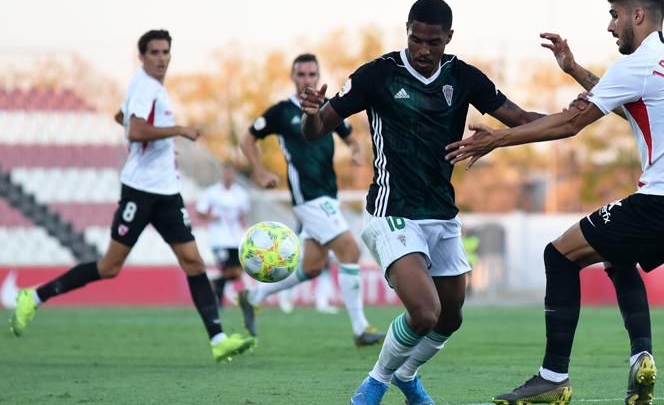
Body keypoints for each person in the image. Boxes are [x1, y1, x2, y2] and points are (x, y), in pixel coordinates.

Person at [445, 0, 664, 405]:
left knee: (559, 255)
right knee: (617, 255)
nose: (610, 26)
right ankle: (641, 357)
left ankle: (553, 377)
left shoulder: (638, 64)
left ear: (637, 16)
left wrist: (497, 139)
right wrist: (573, 68)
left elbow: (569, 123)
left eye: (614, 15)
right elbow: (626, 97)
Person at [299, 0, 546, 405]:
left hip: (441, 215)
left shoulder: (464, 77)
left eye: (434, 42)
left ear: (449, 37)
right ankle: (375, 383)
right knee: (425, 311)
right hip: (390, 211)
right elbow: (317, 129)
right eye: (417, 40)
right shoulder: (378, 75)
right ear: (407, 31)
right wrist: (311, 113)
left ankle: (406, 375)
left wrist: (575, 118)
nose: (424, 50)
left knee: (451, 317)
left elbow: (520, 119)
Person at [9, 30, 256, 362]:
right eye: (154, 52)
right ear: (142, 56)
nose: (161, 57)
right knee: (110, 266)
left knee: (194, 262)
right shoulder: (145, 86)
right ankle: (34, 297)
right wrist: (178, 131)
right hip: (140, 192)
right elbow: (136, 129)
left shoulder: (149, 89)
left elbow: (123, 119)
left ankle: (218, 340)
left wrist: (162, 147)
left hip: (167, 193)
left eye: (165, 51)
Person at [238, 53, 384, 346]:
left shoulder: (326, 109)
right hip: (308, 197)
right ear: (293, 78)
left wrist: (356, 150)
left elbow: (350, 135)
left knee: (312, 267)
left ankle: (254, 296)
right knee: (350, 251)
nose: (307, 79)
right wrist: (259, 170)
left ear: (318, 77)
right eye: (301, 74)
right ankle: (360, 328)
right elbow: (248, 139)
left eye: (311, 74)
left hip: (328, 194)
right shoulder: (281, 112)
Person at [195, 161, 251, 307]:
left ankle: (216, 283)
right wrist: (210, 217)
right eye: (227, 171)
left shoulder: (241, 194)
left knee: (237, 273)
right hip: (219, 239)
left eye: (231, 172)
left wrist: (244, 225)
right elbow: (200, 211)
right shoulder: (212, 192)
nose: (229, 175)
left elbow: (243, 215)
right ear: (222, 173)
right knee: (227, 269)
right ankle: (218, 302)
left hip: (236, 239)